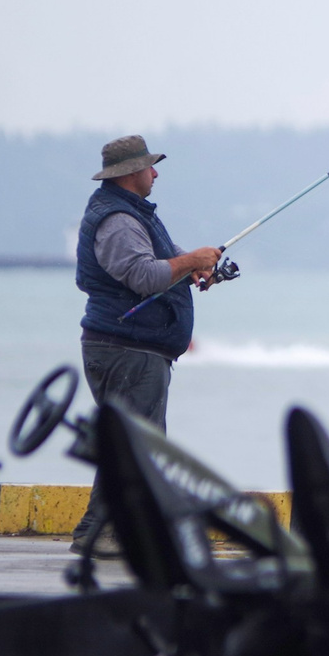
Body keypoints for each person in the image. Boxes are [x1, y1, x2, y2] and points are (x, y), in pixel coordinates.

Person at [70, 134, 223, 555]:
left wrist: (193, 270)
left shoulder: (133, 214)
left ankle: (99, 531)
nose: (155, 173)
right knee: (137, 446)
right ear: (130, 173)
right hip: (127, 351)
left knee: (129, 444)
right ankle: (104, 533)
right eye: (149, 167)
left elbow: (163, 261)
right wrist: (192, 261)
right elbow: (143, 276)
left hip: (134, 350)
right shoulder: (117, 220)